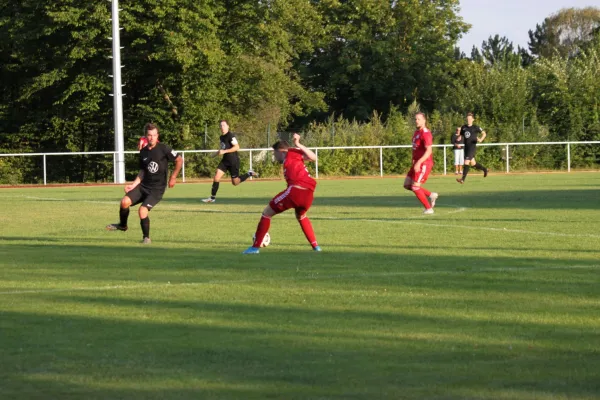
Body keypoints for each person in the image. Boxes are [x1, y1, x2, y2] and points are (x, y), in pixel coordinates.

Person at [243, 133, 321, 254]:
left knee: (266, 213)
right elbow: (311, 158)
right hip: (308, 194)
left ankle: (255, 248)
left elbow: (314, 157)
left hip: (296, 190)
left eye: (275, 153)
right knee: (301, 216)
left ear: (282, 151)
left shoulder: (292, 152)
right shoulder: (295, 156)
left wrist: (298, 144)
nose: (274, 156)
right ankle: (316, 247)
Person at [106, 123, 183, 244]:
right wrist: (133, 185)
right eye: (149, 135)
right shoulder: (143, 152)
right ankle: (122, 225)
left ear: (157, 136)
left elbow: (179, 159)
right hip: (143, 186)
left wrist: (173, 177)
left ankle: (146, 238)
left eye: (154, 135)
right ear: (146, 136)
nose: (152, 137)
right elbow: (142, 172)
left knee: (142, 210)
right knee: (124, 202)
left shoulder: (164, 148)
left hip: (156, 189)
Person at [202, 120, 257, 203]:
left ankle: (249, 173)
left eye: (224, 125)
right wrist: (213, 155)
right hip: (225, 161)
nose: (222, 127)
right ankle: (212, 198)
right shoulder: (221, 137)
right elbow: (222, 149)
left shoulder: (230, 136)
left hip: (233, 161)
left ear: (228, 126)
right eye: (220, 125)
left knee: (235, 182)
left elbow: (237, 147)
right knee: (216, 176)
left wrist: (224, 151)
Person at [403, 112, 438, 215]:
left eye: (418, 119)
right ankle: (431, 195)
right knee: (407, 185)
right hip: (417, 163)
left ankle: (429, 209)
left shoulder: (426, 133)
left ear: (424, 120)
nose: (416, 121)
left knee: (415, 187)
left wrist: (419, 162)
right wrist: (414, 161)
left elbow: (428, 151)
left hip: (424, 163)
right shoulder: (416, 132)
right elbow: (416, 149)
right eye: (415, 119)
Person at [457, 113, 488, 184]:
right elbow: (461, 135)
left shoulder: (475, 127)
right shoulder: (463, 127)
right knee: (473, 163)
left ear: (473, 119)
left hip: (472, 147)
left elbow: (484, 133)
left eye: (470, 119)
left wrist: (480, 139)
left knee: (466, 162)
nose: (469, 120)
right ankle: (484, 169)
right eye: (468, 119)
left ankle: (462, 179)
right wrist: (458, 139)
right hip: (466, 147)